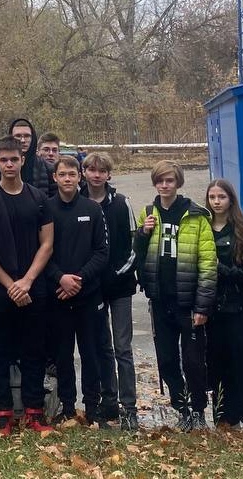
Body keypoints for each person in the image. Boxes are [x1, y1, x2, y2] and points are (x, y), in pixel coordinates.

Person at [0, 134, 54, 436]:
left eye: (13, 159)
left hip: (33, 287)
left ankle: (34, 411)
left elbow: (47, 243)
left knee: (34, 350)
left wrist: (27, 281)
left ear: (22, 160)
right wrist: (11, 286)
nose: (8, 165)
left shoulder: (38, 198)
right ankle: (2, 413)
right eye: (3, 160)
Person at [134, 160, 216, 431]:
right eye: (160, 181)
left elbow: (207, 262)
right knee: (167, 359)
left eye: (169, 180)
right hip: (160, 300)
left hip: (188, 302)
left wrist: (203, 305)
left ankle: (198, 410)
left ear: (178, 182)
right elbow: (137, 256)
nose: (164, 185)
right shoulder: (148, 213)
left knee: (194, 361)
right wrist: (142, 234)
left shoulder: (196, 215)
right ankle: (181, 409)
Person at [43, 156, 108, 424]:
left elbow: (102, 252)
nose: (67, 179)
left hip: (88, 295)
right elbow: (41, 252)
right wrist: (60, 278)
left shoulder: (92, 209)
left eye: (72, 174)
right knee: (63, 355)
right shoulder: (46, 209)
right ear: (55, 178)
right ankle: (67, 407)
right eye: (62, 174)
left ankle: (92, 408)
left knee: (91, 354)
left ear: (79, 177)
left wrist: (78, 279)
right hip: (58, 296)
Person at [81, 151, 139, 430]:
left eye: (101, 171)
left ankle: (130, 406)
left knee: (122, 348)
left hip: (120, 286)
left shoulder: (121, 203)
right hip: (92, 288)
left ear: (108, 174)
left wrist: (118, 272)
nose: (96, 175)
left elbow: (134, 243)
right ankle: (109, 400)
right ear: (84, 172)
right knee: (101, 346)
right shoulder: (79, 202)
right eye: (92, 170)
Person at [204, 178, 243, 430]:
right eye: (212, 197)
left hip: (234, 307)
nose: (217, 202)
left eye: (222, 197)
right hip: (209, 306)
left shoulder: (242, 232)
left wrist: (221, 269)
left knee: (239, 360)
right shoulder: (204, 228)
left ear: (231, 200)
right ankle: (223, 416)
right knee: (216, 361)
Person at [9, 118, 55, 196]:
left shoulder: (48, 169)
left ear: (32, 138)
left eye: (27, 136)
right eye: (18, 136)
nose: (23, 140)